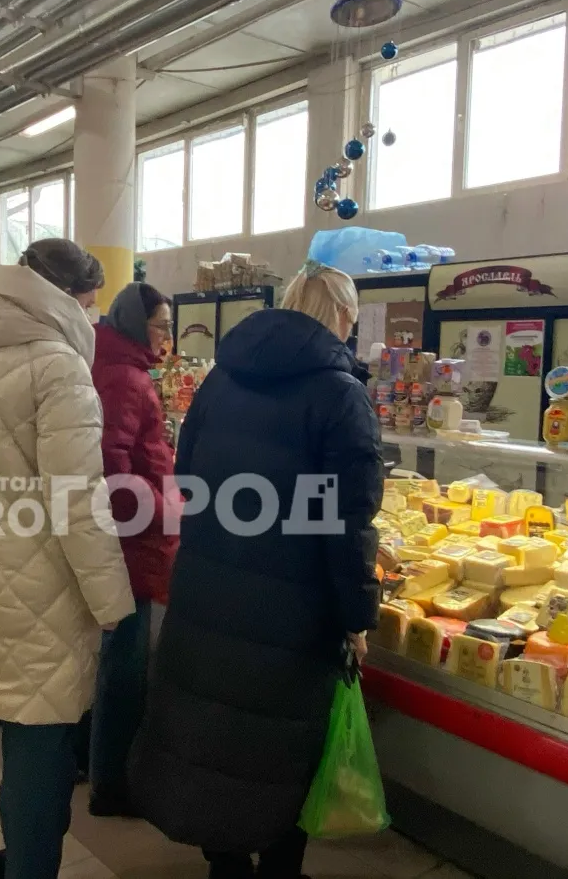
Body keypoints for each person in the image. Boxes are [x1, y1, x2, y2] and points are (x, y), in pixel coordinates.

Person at [129, 262, 382, 879]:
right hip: (293, 607)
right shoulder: (340, 393)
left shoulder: (222, 377)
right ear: (341, 316)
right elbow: (347, 523)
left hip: (210, 581)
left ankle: (225, 863)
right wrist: (357, 617)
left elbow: (187, 475)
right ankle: (278, 868)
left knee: (212, 729)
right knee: (279, 745)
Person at [0, 238, 134, 879]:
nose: (92, 318)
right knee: (38, 740)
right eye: (89, 305)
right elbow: (78, 500)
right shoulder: (58, 365)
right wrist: (111, 602)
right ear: (66, 298)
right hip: (40, 594)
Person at [87, 282, 180, 817]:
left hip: (126, 537)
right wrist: (166, 507)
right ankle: (112, 784)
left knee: (112, 660)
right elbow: (113, 467)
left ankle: (94, 763)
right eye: (161, 325)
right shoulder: (126, 377)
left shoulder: (119, 366)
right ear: (135, 324)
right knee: (123, 668)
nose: (167, 335)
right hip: (132, 542)